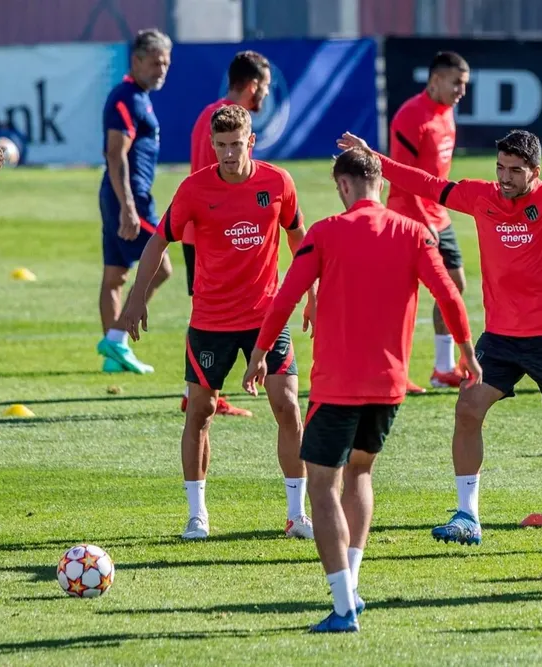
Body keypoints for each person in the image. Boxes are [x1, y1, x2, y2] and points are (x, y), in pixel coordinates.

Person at [337, 119, 542, 554]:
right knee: (467, 409)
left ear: (535, 173)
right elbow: (428, 184)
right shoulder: (480, 195)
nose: (504, 178)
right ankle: (467, 516)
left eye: (515, 171)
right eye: (500, 168)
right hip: (501, 338)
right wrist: (378, 160)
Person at [241, 147, 480, 633]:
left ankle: (344, 605)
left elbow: (287, 294)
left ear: (344, 186)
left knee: (324, 486)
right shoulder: (414, 232)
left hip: (337, 385)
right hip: (390, 386)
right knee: (361, 473)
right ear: (378, 183)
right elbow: (449, 295)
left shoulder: (327, 233)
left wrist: (260, 351)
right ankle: (352, 582)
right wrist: (467, 352)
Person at [120, 105, 314, 541]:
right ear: (213, 144)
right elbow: (158, 241)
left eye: (236, 144)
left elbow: (301, 239)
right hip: (211, 320)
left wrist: (311, 297)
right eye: (221, 145)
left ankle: (296, 515)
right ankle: (197, 515)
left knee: (288, 407)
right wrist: (136, 299)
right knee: (201, 412)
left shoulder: (278, 182)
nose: (229, 154)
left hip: (267, 316)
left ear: (251, 141)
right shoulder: (194, 189)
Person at [179, 50, 273, 418]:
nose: (265, 93)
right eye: (263, 86)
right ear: (251, 85)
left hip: (206, 232)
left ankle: (200, 391)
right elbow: (211, 184)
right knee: (210, 315)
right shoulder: (225, 122)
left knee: (209, 313)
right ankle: (201, 391)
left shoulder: (212, 115)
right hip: (211, 234)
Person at [387, 51, 471, 393]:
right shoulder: (411, 116)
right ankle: (394, 372)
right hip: (408, 215)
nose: (461, 91)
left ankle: (442, 368)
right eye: (457, 83)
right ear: (435, 80)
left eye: (464, 84)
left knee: (455, 285)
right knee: (402, 297)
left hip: (438, 215)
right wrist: (424, 222)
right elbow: (404, 178)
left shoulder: (447, 111)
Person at [97, 29, 173, 375]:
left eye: (166, 63)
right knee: (161, 268)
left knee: (115, 275)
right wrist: (128, 207)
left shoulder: (138, 96)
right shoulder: (126, 97)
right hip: (130, 197)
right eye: (156, 62)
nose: (162, 69)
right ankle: (116, 338)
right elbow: (116, 154)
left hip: (122, 195)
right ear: (137, 60)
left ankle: (115, 356)